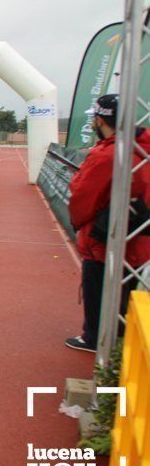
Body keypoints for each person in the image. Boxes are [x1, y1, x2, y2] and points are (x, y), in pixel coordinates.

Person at [65, 94, 150, 352]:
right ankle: (122, 341)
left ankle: (95, 338)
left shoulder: (108, 154)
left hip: (106, 238)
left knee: (99, 288)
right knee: (131, 294)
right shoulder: (142, 147)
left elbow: (82, 196)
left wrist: (79, 223)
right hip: (141, 239)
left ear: (100, 120)